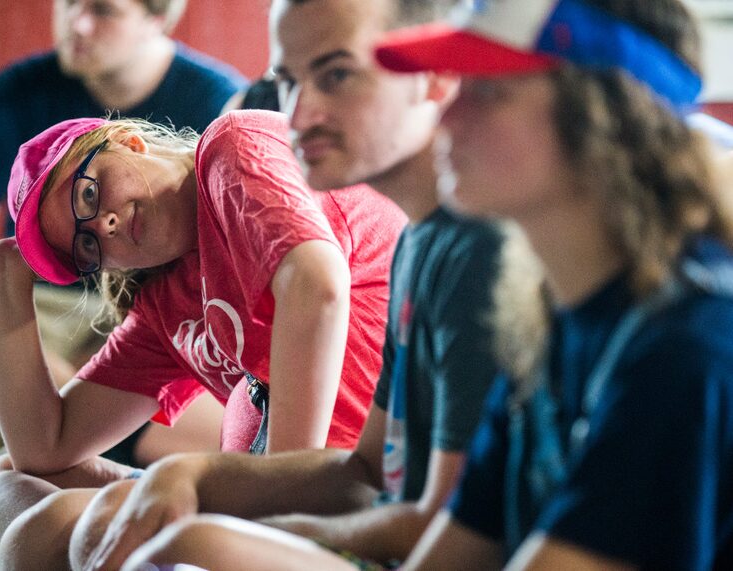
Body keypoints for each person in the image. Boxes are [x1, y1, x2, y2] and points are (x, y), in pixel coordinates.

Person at [73, 0, 733, 569]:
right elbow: (455, 538)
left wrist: (229, 536)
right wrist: (205, 487)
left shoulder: (681, 351)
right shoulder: (548, 312)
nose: (446, 117)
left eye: (488, 92)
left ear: (601, 115)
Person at [0, 106, 404, 570]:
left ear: (128, 141)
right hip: (245, 497)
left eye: (89, 195)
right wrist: (3, 276)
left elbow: (318, 286)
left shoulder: (228, 149)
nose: (104, 226)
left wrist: (277, 506)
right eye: (87, 246)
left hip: (340, 489)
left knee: (53, 531)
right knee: (1, 482)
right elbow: (42, 450)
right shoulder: (163, 301)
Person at [0, 0, 245, 460]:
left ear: (157, 18)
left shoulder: (224, 106)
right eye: (69, 4)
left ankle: (53, 419)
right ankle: (77, 421)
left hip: (148, 306)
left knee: (205, 371)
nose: (78, 24)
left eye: (104, 10)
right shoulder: (10, 95)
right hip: (44, 306)